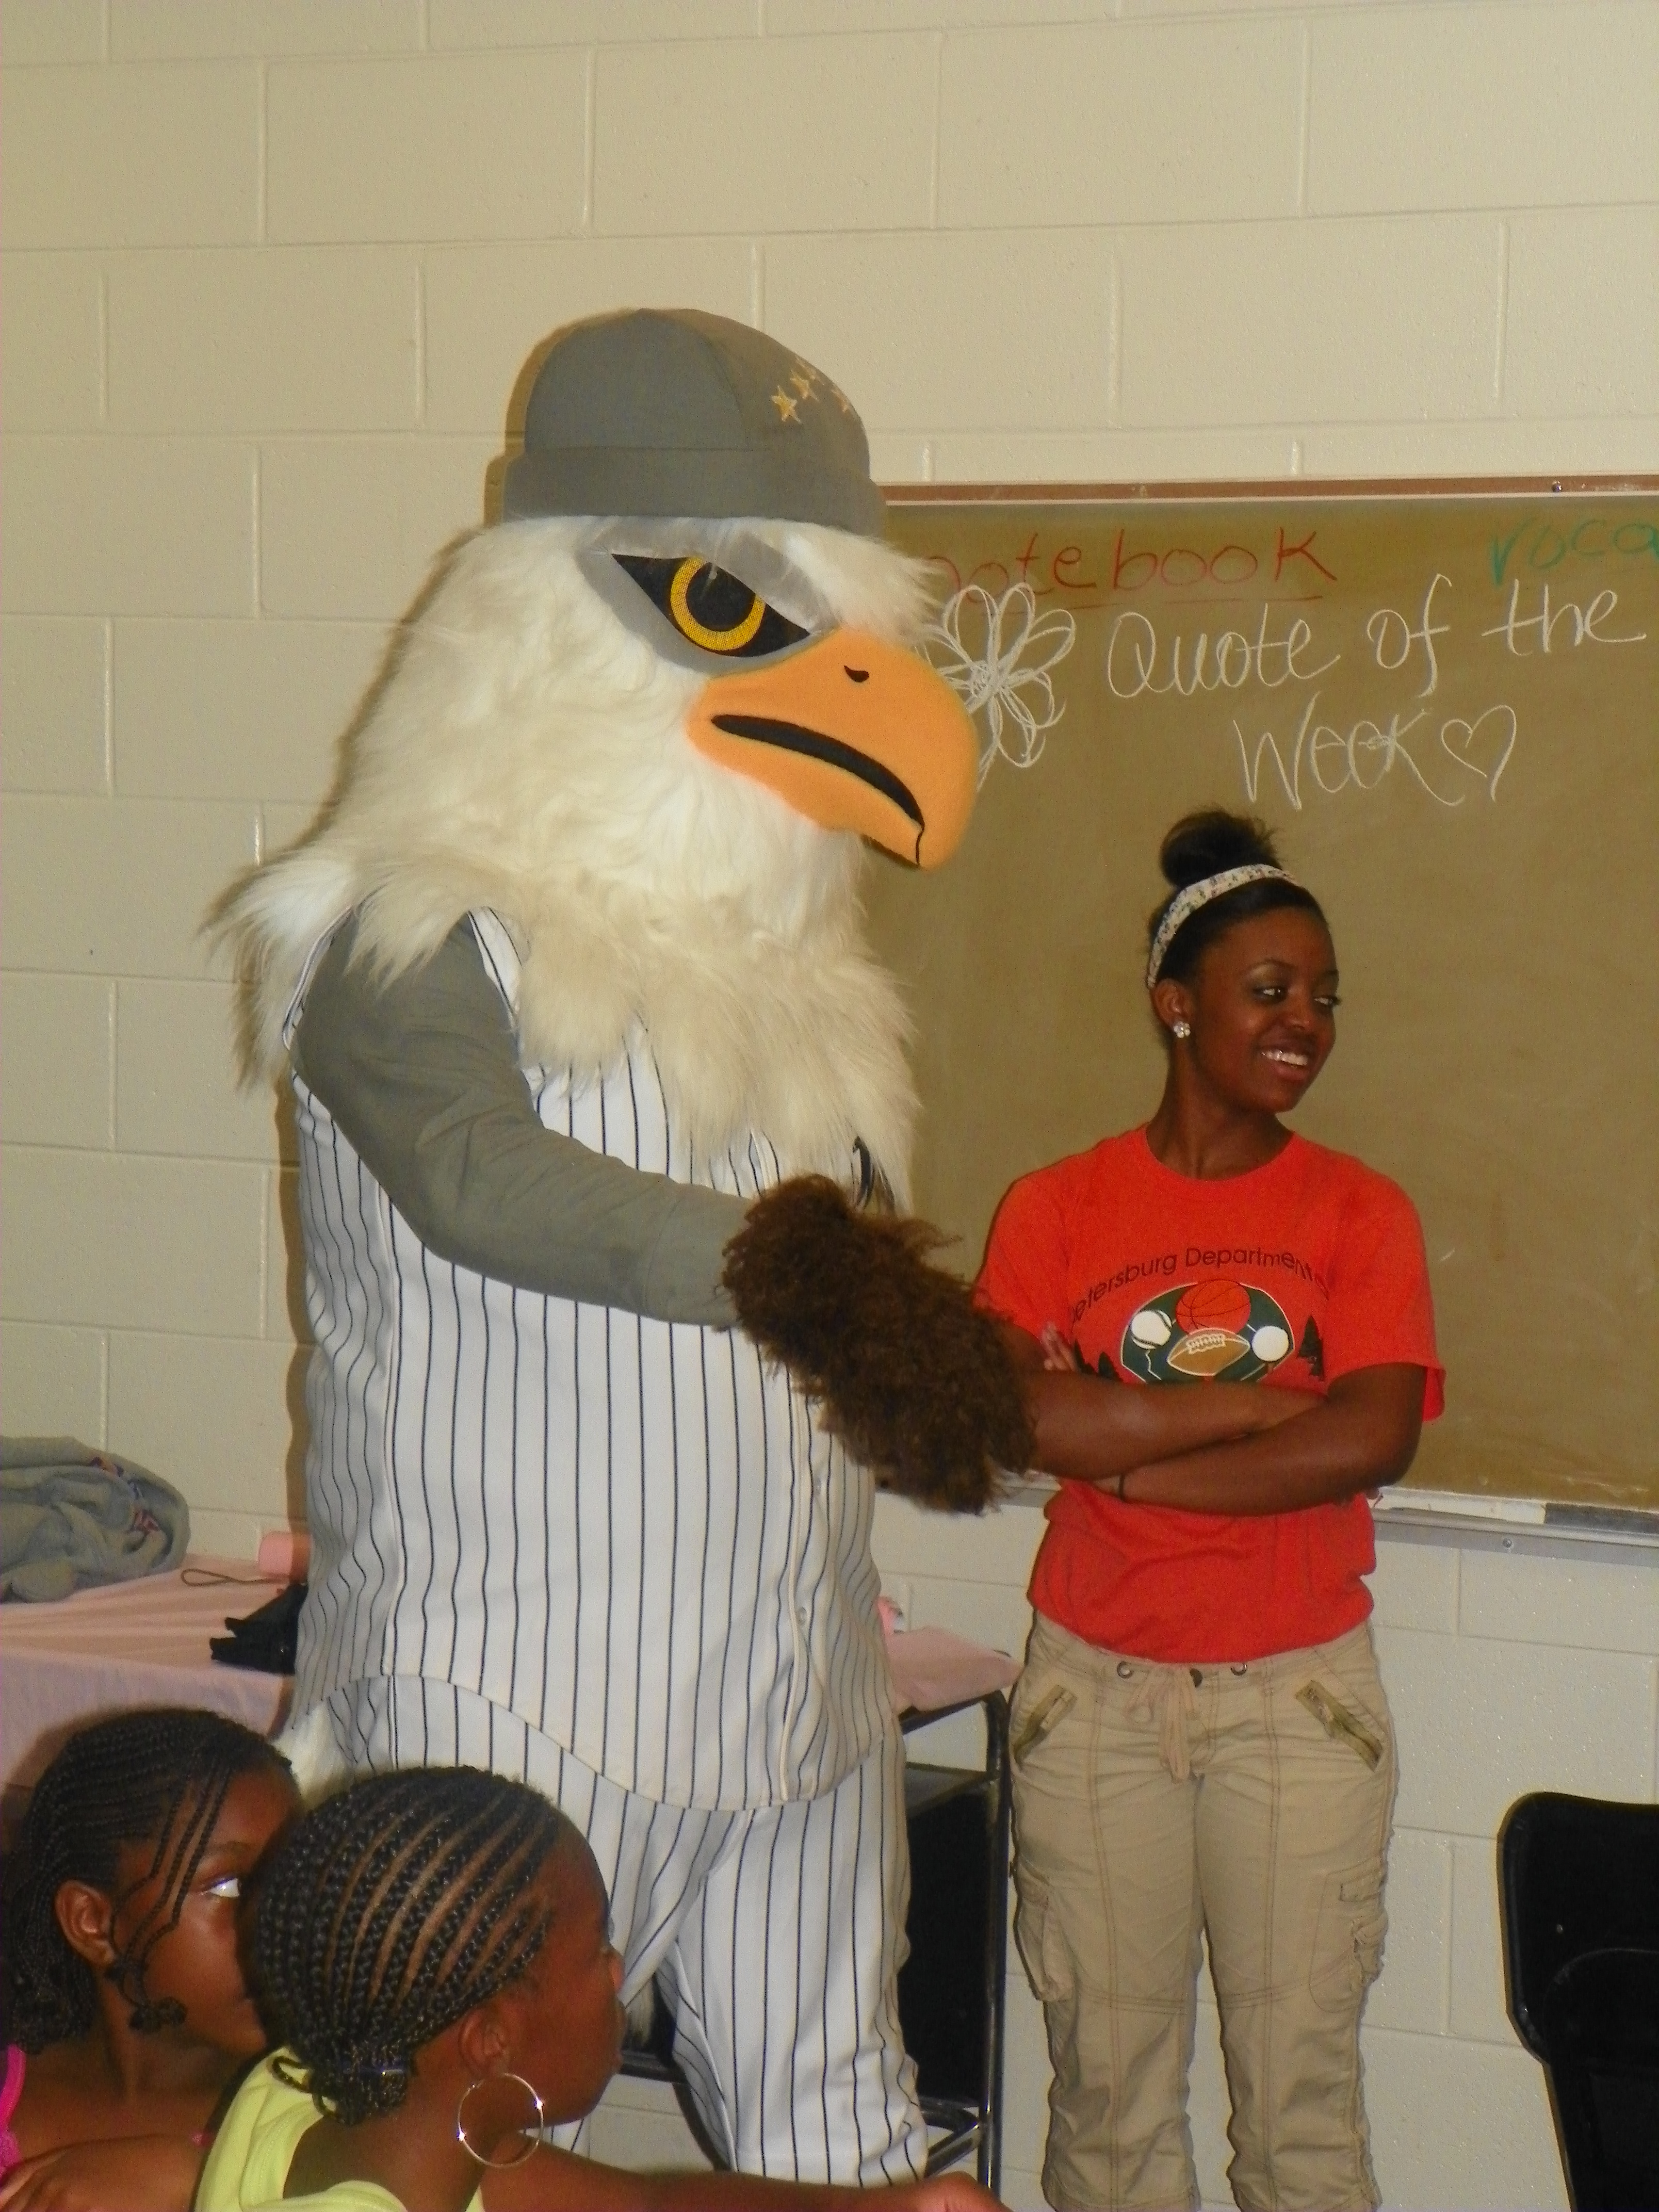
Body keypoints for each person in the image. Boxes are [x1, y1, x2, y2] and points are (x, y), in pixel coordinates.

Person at [976, 810, 1443, 2212]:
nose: (1307, 1022)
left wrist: (1120, 1449)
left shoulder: (1363, 1213)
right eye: (1272, 991)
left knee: (1298, 2116)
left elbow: (1372, 1438)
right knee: (1111, 2114)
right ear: (1177, 1007)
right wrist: (1258, 1405)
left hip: (1297, 1702)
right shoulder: (1055, 1207)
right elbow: (1020, 1417)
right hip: (1096, 1699)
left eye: (1323, 998)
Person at [200, 1765, 1004, 2212]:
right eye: (596, 1953)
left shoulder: (308, 2096)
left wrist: (897, 2210)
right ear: (489, 2039)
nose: (621, 1972)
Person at [0, 1707, 298, 2212]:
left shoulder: (321, 2116)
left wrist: (206, 2176)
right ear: (94, 1921)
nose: (279, 1924)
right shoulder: (14, 2095)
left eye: (295, 1879)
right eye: (230, 1886)